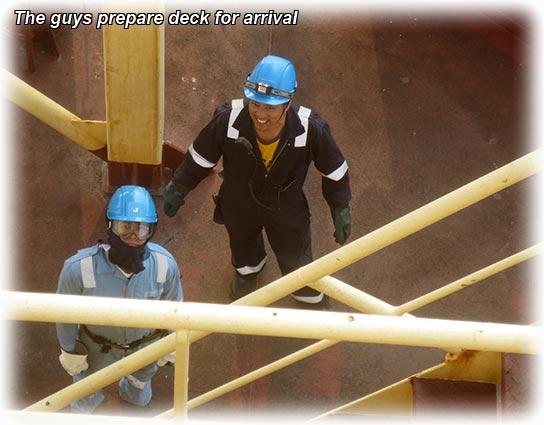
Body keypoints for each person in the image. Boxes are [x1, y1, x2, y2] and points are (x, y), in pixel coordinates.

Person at [163, 55, 351, 304]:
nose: (260, 115)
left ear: (288, 102)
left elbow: (334, 170)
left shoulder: (311, 129)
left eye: (270, 108)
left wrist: (340, 207)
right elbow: (200, 158)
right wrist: (179, 186)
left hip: (286, 206)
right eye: (255, 104)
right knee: (242, 245)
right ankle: (249, 272)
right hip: (238, 202)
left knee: (295, 250)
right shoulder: (227, 120)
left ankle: (304, 290)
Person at [56, 185, 183, 413]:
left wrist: (171, 342)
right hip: (96, 347)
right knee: (85, 391)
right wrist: (69, 349)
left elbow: (175, 308)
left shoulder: (165, 265)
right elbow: (63, 314)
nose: (133, 237)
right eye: (124, 228)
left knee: (139, 386)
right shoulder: (78, 269)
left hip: (145, 348)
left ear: (151, 230)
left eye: (141, 229)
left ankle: (135, 404)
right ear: (110, 226)